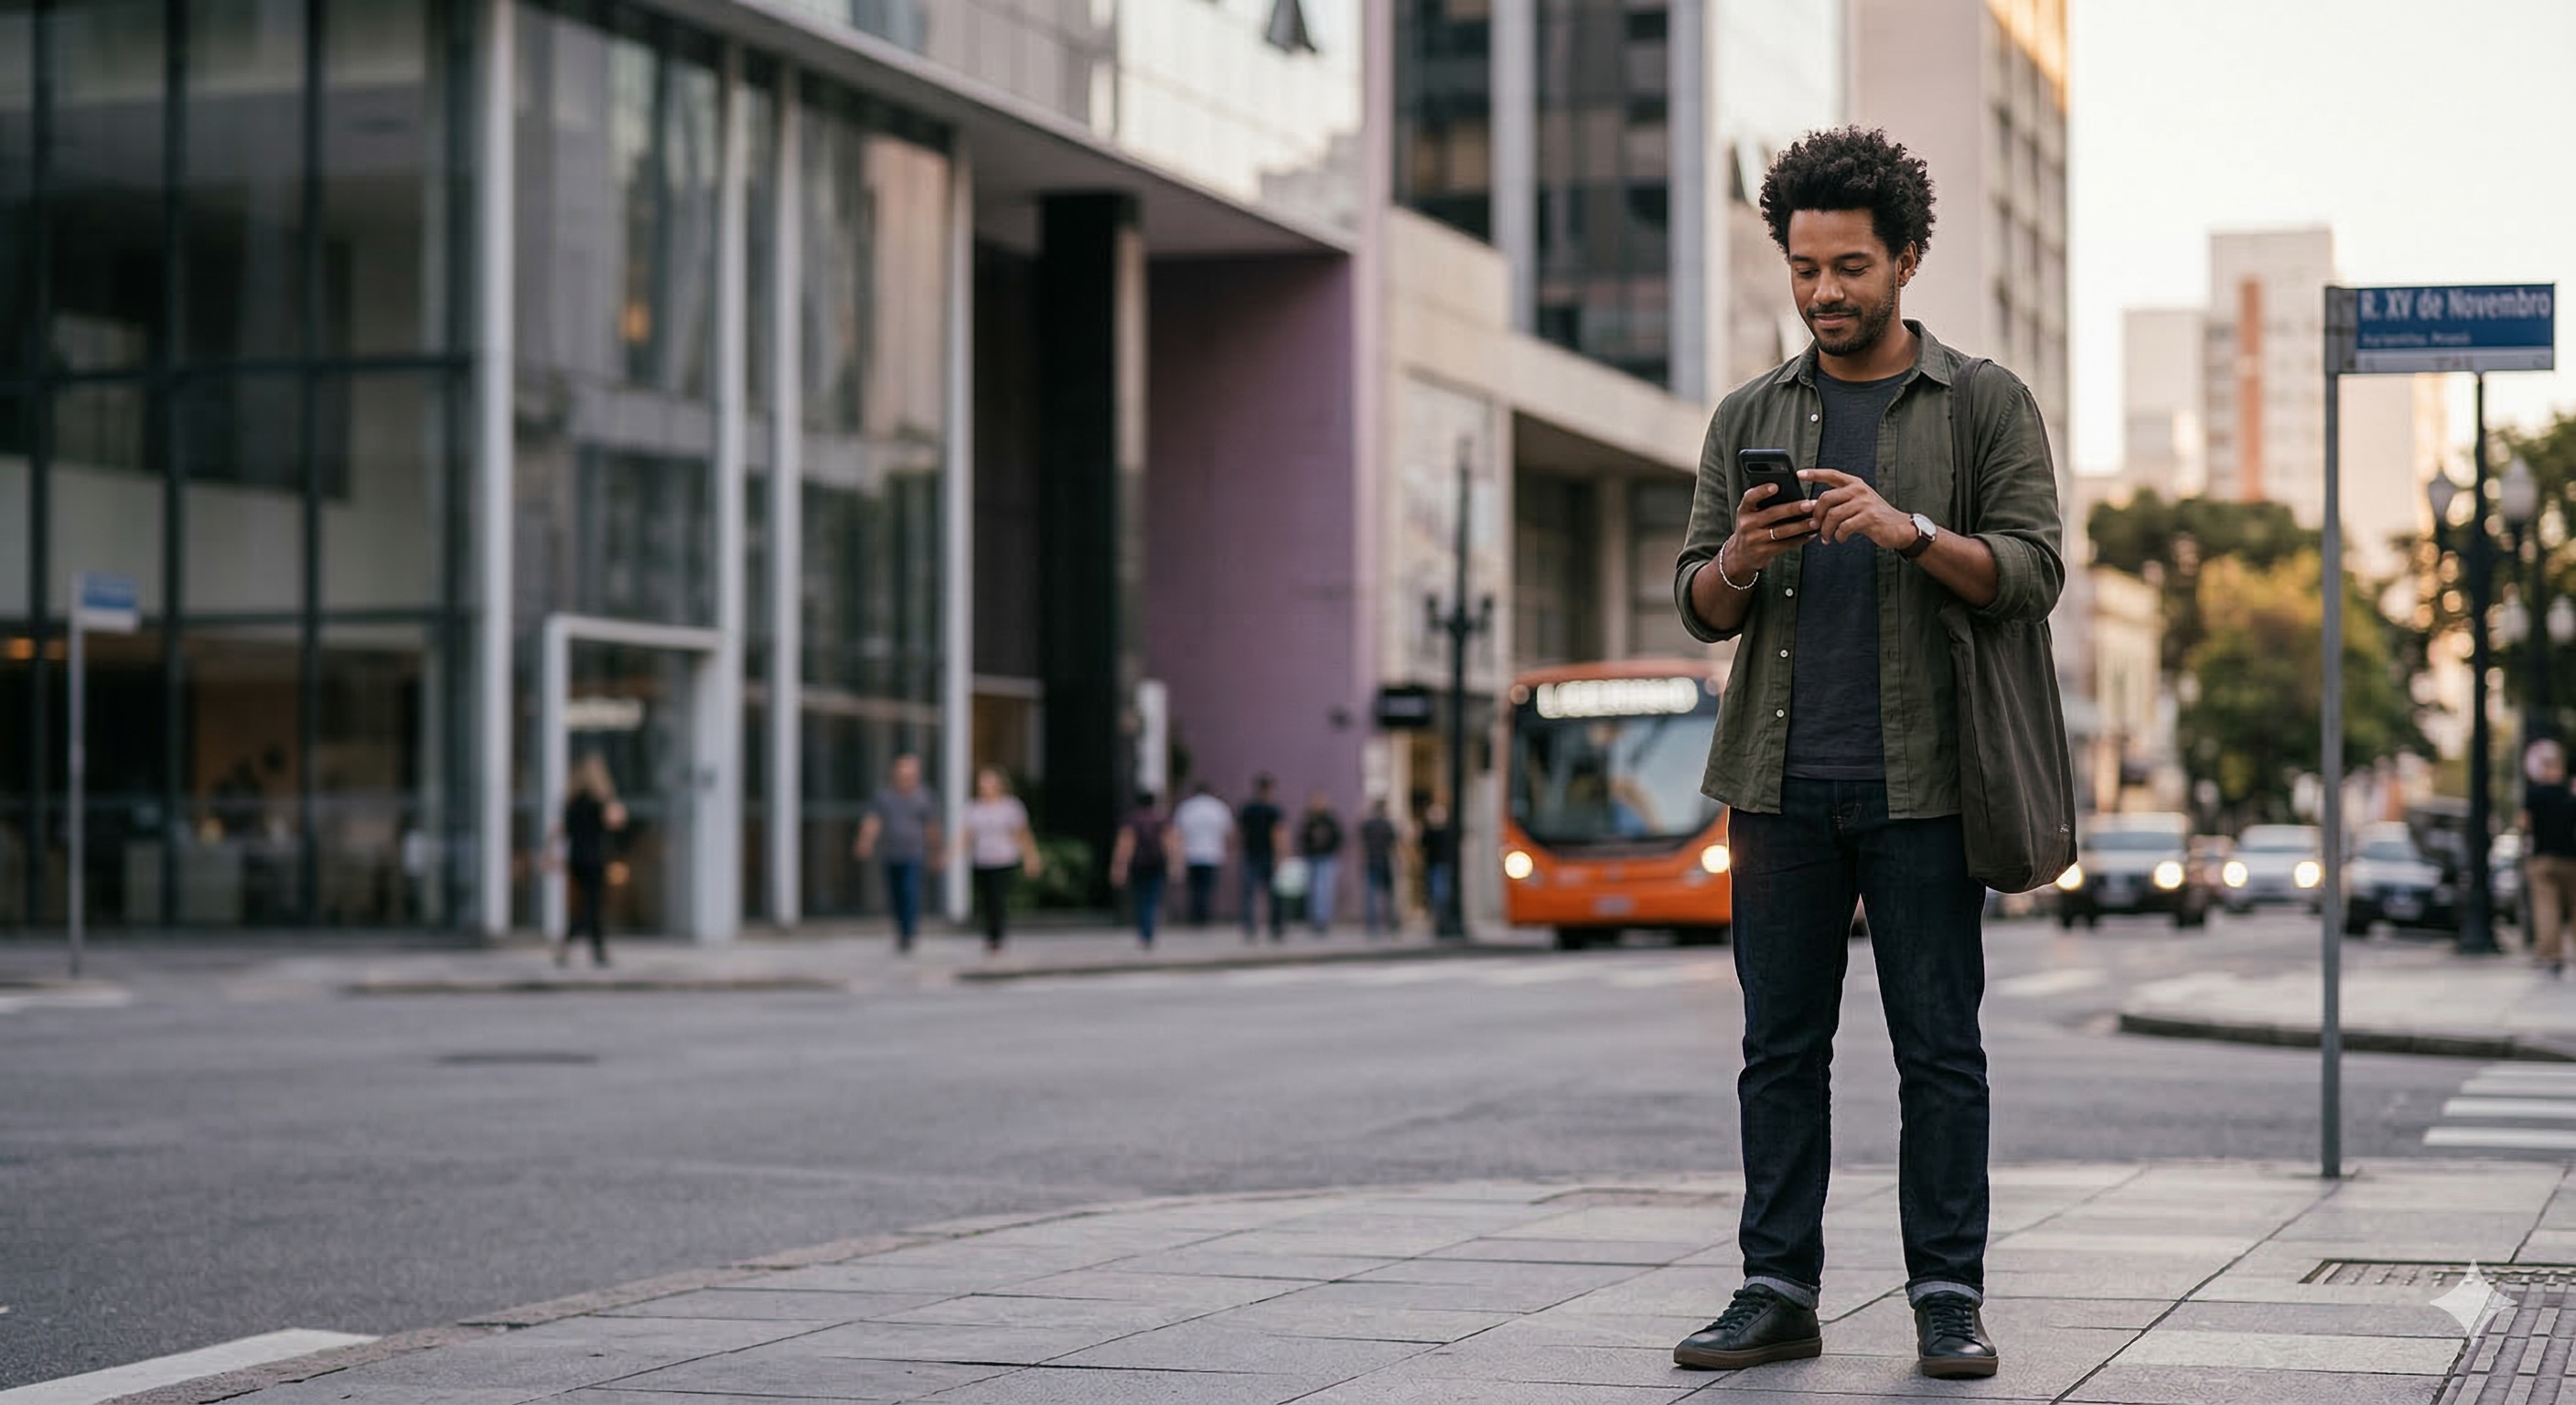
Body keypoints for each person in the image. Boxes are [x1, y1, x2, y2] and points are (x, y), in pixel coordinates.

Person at [1666, 128, 2062, 1383]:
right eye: (1805, 268)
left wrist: (1906, 532)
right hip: (1775, 785)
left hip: (1928, 784)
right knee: (1778, 1053)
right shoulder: (1748, 415)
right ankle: (1775, 1287)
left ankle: (1947, 1295)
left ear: (1904, 260)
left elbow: (2032, 574)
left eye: (1849, 266)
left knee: (1938, 1052)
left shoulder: (1983, 402)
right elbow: (1698, 602)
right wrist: (1741, 557)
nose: (1824, 291)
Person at [854, 754, 943, 953]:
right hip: (891, 853)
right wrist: (865, 842)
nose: (906, 777)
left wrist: (936, 852)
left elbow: (931, 826)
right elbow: (873, 821)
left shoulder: (924, 796)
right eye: (902, 772)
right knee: (895, 895)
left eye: (910, 773)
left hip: (915, 853)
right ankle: (901, 930)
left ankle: (908, 933)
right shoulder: (884, 796)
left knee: (909, 892)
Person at [549, 755, 627, 968]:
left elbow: (560, 831)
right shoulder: (599, 804)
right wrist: (611, 800)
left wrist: (551, 854)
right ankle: (586, 947)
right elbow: (617, 822)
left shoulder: (572, 803)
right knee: (591, 906)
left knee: (584, 905)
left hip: (576, 859)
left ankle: (590, 949)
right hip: (594, 859)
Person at [958, 767, 1040, 954]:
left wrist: (1031, 858)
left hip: (1004, 859)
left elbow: (1022, 834)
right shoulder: (974, 807)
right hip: (982, 859)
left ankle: (997, 937)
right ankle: (990, 934)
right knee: (986, 900)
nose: (984, 787)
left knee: (997, 898)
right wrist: (953, 854)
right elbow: (967, 834)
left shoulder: (1011, 807)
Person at [2522, 739, 2576, 977]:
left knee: (2546, 907)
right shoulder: (2569, 794)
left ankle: (2551, 954)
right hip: (2571, 858)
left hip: (2543, 857)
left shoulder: (2534, 794)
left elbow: (2524, 824)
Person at [1108, 791, 1181, 949]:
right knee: (1152, 899)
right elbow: (1170, 844)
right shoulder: (1161, 820)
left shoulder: (1132, 821)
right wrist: (1174, 865)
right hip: (1157, 865)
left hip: (1138, 865)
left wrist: (1119, 868)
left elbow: (1125, 846)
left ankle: (1144, 932)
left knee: (1140, 899)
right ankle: (1148, 932)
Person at [1173, 782, 1236, 927]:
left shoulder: (1186, 807)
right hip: (1213, 853)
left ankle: (1195, 915)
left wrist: (1177, 856)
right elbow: (1228, 832)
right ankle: (1205, 915)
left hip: (1191, 853)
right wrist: (1228, 851)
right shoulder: (1218, 807)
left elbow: (1177, 833)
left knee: (1195, 887)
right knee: (1208, 887)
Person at [1237, 775, 1286, 942]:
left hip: (1251, 854)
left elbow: (1241, 833)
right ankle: (1276, 927)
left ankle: (1249, 926)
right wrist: (1281, 855)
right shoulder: (1273, 809)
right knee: (1275, 893)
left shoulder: (1248, 809)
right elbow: (1277, 833)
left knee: (1249, 893)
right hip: (1268, 855)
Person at [1296, 790, 1344, 935]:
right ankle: (1314, 919)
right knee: (1313, 890)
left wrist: (1332, 850)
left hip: (1327, 858)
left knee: (1325, 890)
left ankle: (1323, 920)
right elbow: (1302, 837)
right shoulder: (1309, 820)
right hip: (1312, 858)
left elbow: (1339, 837)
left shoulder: (1330, 819)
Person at [1358, 799, 1402, 938]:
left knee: (1371, 894)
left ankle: (1373, 924)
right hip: (1384, 861)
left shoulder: (1368, 825)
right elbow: (1395, 845)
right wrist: (1399, 861)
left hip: (1372, 861)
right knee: (1388, 894)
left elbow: (1362, 845)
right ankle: (1391, 921)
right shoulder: (1387, 824)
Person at [1419, 802, 1459, 935]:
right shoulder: (1430, 831)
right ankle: (1439, 921)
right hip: (1434, 866)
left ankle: (1443, 920)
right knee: (1437, 894)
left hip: (1442, 866)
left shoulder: (1446, 831)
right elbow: (1423, 845)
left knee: (1442, 894)